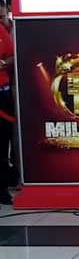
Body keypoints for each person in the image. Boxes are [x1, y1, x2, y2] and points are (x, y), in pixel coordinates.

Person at [0, 22, 14, 206]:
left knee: (3, 145)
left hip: (2, 94)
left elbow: (12, 57)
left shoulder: (1, 30)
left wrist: (2, 63)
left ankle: (2, 190)